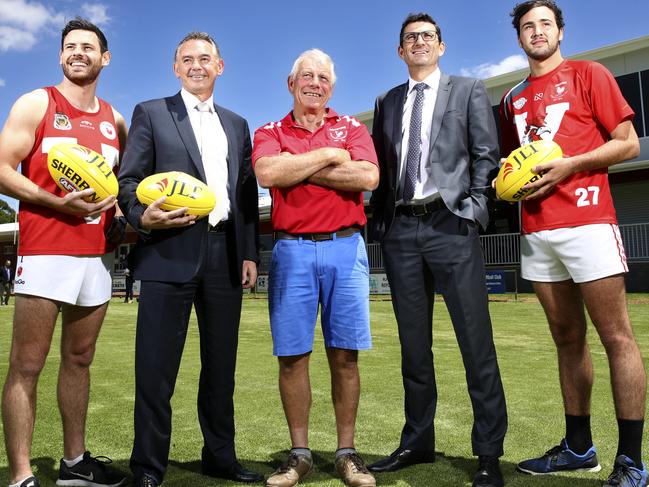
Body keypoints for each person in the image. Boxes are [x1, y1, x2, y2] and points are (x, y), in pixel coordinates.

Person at [499, 2, 646, 486]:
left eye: (545, 23)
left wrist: (572, 164)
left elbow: (628, 143)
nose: (536, 32)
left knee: (616, 336)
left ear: (560, 31)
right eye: (527, 26)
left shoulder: (590, 74)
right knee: (567, 339)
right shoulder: (512, 98)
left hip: (588, 221)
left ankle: (632, 462)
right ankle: (579, 447)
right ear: (518, 37)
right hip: (537, 229)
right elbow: (513, 165)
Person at [367, 12, 508, 487]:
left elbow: (486, 156)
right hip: (402, 230)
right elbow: (382, 168)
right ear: (400, 50)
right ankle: (417, 441)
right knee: (414, 347)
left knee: (476, 343)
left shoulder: (467, 90)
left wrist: (475, 210)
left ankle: (488, 452)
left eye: (428, 36)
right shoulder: (386, 101)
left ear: (441, 46)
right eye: (411, 38)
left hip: (452, 224)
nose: (420, 43)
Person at [117, 32, 261, 487]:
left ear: (221, 67)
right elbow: (128, 183)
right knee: (156, 369)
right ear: (175, 68)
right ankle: (148, 466)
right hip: (167, 252)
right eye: (187, 59)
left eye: (205, 58)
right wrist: (144, 217)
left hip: (225, 255)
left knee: (221, 369)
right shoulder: (151, 113)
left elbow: (245, 193)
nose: (197, 65)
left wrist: (250, 253)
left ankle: (220, 458)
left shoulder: (238, 124)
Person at [0, 17, 128, 487]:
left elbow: (122, 190)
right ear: (60, 55)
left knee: (79, 360)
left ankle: (74, 465)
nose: (78, 53)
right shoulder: (37, 103)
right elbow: (2, 169)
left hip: (96, 257)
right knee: (27, 365)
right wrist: (56, 202)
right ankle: (20, 476)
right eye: (70, 46)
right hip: (45, 250)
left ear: (104, 58)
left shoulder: (116, 120)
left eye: (88, 47)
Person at [253, 49, 379, 487]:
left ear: (332, 86)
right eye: (306, 75)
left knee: (345, 355)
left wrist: (299, 169)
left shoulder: (353, 127)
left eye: (323, 77)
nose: (314, 83)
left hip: (346, 247)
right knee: (293, 356)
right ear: (291, 84)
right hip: (292, 250)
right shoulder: (270, 130)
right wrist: (330, 155)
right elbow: (268, 172)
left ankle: (347, 453)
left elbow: (366, 178)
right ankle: (300, 453)